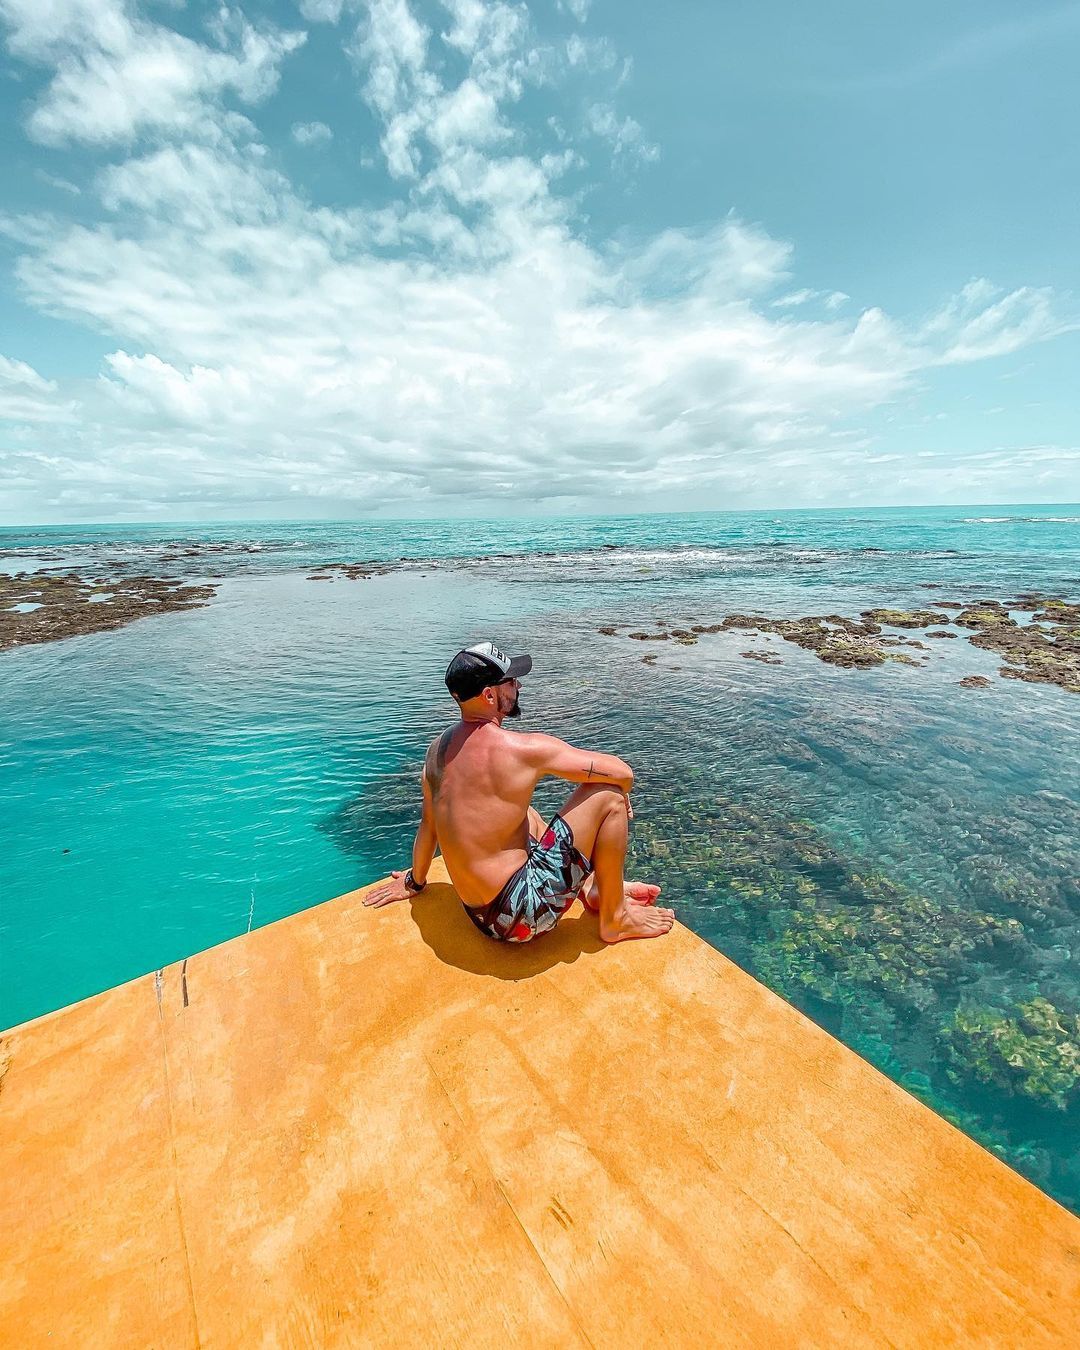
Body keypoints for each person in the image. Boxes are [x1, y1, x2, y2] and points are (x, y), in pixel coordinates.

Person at [363, 641, 675, 944]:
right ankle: (615, 918)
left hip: (479, 915)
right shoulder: (522, 750)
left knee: (524, 812)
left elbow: (429, 825)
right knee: (608, 795)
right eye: (511, 682)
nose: (518, 688)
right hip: (521, 918)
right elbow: (623, 772)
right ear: (489, 695)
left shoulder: (436, 752)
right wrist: (623, 792)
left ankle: (594, 887)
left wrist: (414, 882)